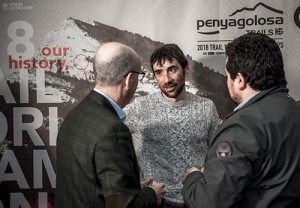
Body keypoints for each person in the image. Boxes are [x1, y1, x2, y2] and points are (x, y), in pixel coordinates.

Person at [182, 33, 300, 208]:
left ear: (240, 80)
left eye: (227, 76)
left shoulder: (241, 126)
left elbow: (209, 203)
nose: (227, 82)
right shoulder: (292, 108)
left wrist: (192, 177)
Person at [54, 42, 166, 208]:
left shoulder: (76, 113)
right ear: (129, 79)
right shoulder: (113, 130)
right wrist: (151, 193)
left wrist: (133, 187)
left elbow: (90, 183)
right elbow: (124, 206)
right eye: (139, 76)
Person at [124, 44, 220, 207]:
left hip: (197, 199)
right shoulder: (140, 107)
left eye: (172, 69)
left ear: (186, 68)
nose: (167, 79)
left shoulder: (206, 107)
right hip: (158, 201)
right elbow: (108, 139)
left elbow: (217, 155)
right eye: (159, 72)